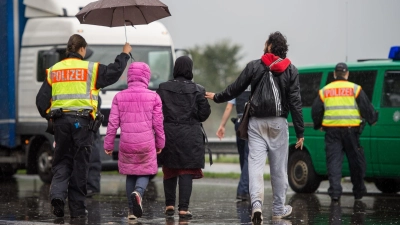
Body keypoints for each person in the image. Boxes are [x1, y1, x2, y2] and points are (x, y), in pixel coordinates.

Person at [205, 31, 304, 223]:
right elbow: (295, 102)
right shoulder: (291, 70)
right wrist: (300, 131)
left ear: (269, 46)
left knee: (256, 166)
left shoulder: (254, 66)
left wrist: (217, 97)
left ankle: (256, 204)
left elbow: (235, 88)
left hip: (256, 123)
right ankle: (278, 208)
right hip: (278, 123)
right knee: (278, 169)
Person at [36, 34, 131, 218]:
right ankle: (77, 210)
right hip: (83, 124)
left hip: (61, 123)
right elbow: (114, 72)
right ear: (82, 49)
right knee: (80, 165)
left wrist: (50, 117)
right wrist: (124, 54)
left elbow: (41, 102)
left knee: (62, 162)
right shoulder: (90, 69)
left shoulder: (54, 70)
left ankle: (57, 196)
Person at [103, 62, 165, 220]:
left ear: (129, 76)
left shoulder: (119, 97)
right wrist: (160, 143)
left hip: (127, 142)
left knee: (130, 173)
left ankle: (131, 212)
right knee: (146, 171)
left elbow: (112, 123)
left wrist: (108, 143)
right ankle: (138, 192)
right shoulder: (154, 97)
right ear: (146, 76)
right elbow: (158, 124)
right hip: (146, 142)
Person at [311, 62, 378, 202]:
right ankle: (358, 192)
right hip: (351, 132)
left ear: (334, 75)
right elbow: (366, 107)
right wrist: (372, 118)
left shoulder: (325, 91)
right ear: (347, 74)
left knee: (334, 163)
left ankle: (335, 193)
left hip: (332, 132)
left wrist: (319, 124)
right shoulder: (355, 89)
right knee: (356, 162)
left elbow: (315, 110)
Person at [156, 56, 211, 219]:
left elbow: (157, 111)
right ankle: (183, 209)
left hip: (169, 133)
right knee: (186, 169)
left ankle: (169, 205)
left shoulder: (163, 88)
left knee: (170, 168)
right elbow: (203, 114)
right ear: (190, 69)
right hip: (190, 135)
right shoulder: (198, 89)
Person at [216, 88, 251, 201]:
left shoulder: (239, 86)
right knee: (248, 158)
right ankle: (243, 189)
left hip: (239, 123)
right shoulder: (257, 85)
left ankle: (245, 186)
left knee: (243, 156)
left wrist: (222, 125)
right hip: (251, 123)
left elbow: (228, 107)